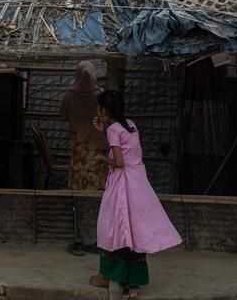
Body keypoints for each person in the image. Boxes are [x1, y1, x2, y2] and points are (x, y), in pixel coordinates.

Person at [90, 90, 182, 299]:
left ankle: (114, 275)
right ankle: (134, 286)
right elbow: (126, 151)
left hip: (122, 184)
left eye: (99, 109)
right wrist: (103, 130)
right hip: (138, 183)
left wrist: (101, 158)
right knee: (136, 230)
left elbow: (119, 162)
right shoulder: (130, 125)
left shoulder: (113, 129)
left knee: (116, 229)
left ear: (104, 110)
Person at [58, 61, 108, 255]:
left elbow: (62, 116)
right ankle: (97, 238)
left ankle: (79, 238)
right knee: (98, 193)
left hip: (79, 151)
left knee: (78, 194)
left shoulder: (69, 95)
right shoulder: (100, 96)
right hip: (97, 152)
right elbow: (107, 120)